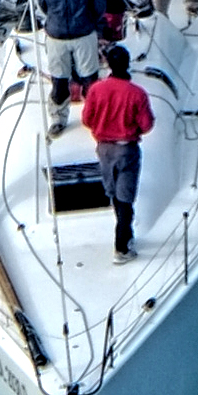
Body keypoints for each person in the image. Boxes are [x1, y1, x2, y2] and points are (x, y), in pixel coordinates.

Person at [80, 45, 155, 263]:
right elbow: (147, 124)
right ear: (128, 63)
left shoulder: (96, 89)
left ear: (108, 64)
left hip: (104, 149)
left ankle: (126, 234)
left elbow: (87, 119)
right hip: (126, 149)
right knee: (126, 199)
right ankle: (122, 246)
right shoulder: (137, 94)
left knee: (113, 193)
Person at [35, 0, 110, 136]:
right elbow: (42, 7)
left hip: (83, 35)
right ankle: (58, 119)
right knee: (59, 82)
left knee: (90, 80)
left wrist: (89, 25)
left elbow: (98, 5)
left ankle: (96, 116)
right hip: (56, 38)